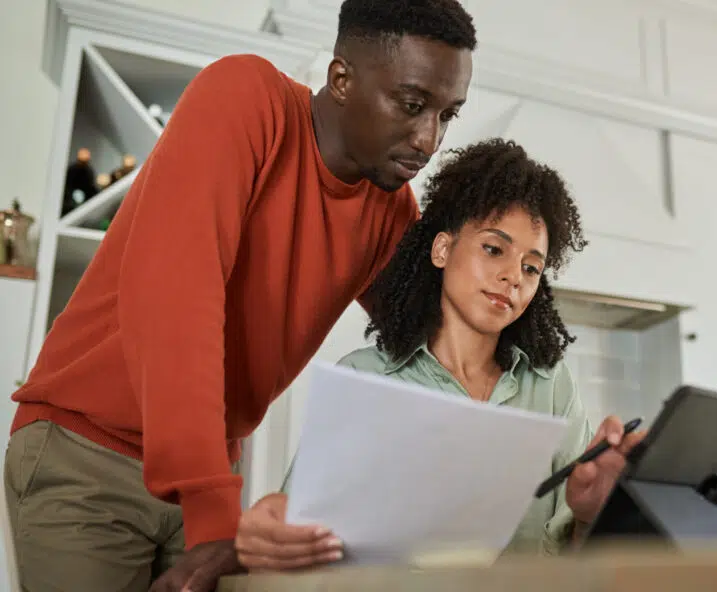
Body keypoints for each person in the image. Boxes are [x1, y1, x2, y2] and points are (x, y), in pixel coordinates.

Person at [3, 1, 476, 590]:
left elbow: (445, 353)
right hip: (88, 454)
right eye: (411, 105)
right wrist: (212, 511)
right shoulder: (245, 98)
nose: (429, 138)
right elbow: (177, 299)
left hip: (212, 477)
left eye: (447, 114)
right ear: (342, 79)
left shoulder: (391, 211)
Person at [232, 138, 648, 570]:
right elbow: (299, 542)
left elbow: (573, 568)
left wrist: (589, 517)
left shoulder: (552, 386)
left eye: (531, 267)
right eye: (493, 249)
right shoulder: (367, 379)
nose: (513, 277)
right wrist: (272, 528)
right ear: (442, 249)